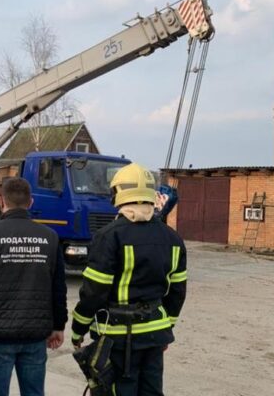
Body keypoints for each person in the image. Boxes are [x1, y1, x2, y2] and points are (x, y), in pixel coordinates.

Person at [71, 163, 187, 396]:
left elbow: (94, 292)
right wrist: (166, 327)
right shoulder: (173, 238)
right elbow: (177, 292)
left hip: (118, 339)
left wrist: (78, 329)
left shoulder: (109, 236)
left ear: (117, 193)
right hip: (155, 335)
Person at [0, 177, 68, 396]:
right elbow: (58, 288)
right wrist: (59, 325)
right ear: (31, 202)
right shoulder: (50, 237)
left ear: (1, 201)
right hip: (35, 334)